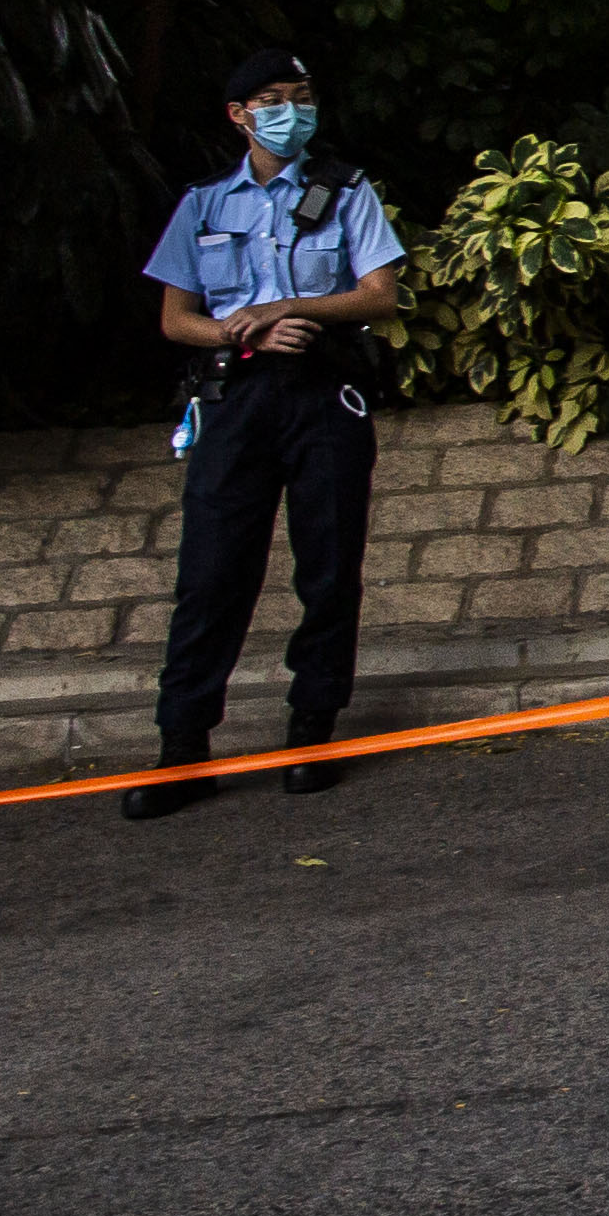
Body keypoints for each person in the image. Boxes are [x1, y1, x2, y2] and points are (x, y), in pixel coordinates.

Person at [133, 46, 406, 818]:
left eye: (303, 94)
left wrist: (293, 311)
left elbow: (380, 295)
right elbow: (174, 318)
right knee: (211, 575)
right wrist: (236, 332)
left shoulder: (344, 190)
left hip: (324, 394)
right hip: (236, 399)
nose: (293, 108)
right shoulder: (205, 205)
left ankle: (313, 730)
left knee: (326, 567)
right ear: (240, 115)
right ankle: (182, 747)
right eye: (275, 97)